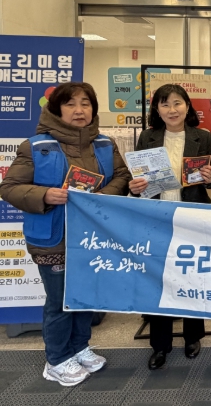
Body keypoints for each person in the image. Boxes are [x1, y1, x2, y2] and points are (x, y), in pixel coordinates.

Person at [0, 82, 132, 386]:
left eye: (86, 104)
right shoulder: (36, 146)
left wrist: (102, 195)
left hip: (93, 235)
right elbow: (9, 188)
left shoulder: (104, 144)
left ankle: (80, 347)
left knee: (86, 295)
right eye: (71, 104)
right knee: (60, 300)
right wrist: (45, 195)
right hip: (54, 236)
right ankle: (57, 360)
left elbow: (122, 176)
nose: (79, 110)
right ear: (57, 109)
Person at [129, 84, 211, 370]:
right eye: (165, 104)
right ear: (157, 109)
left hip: (191, 216)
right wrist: (135, 187)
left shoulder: (202, 137)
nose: (172, 109)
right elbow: (137, 179)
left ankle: (193, 336)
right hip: (156, 215)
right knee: (159, 279)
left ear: (187, 106)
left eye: (177, 103)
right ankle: (160, 344)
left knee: (192, 276)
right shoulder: (147, 137)